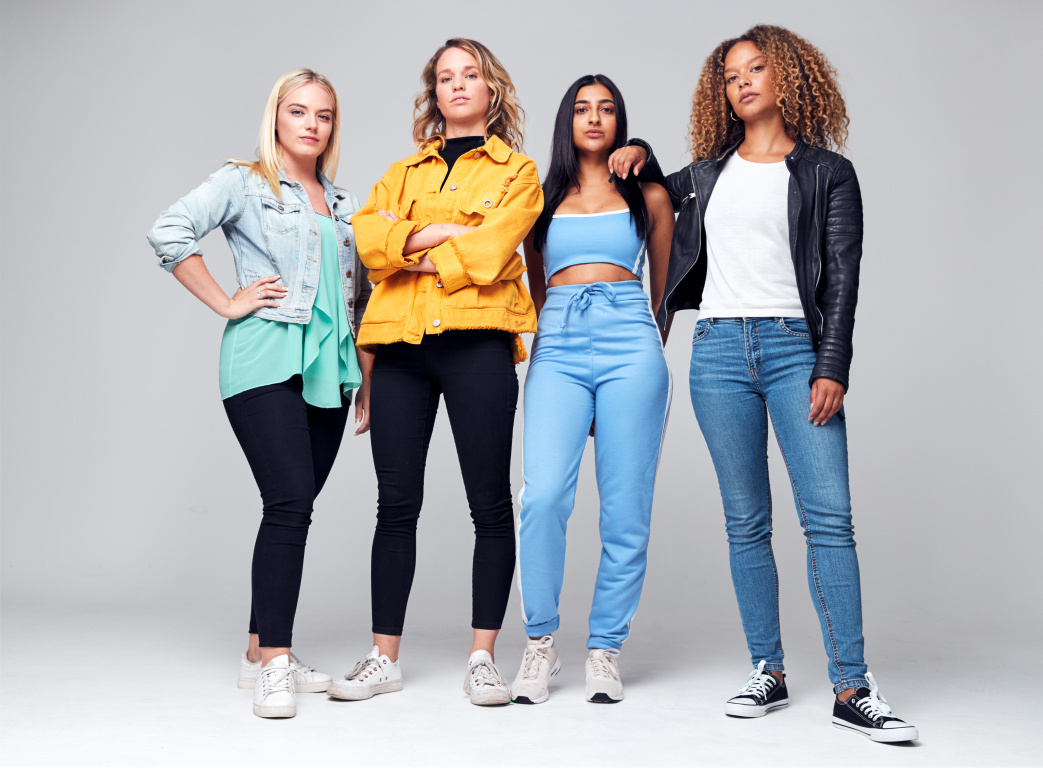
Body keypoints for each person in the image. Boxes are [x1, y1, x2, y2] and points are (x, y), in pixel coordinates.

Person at [614, 25, 918, 741]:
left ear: (788, 78)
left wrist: (831, 365)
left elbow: (841, 278)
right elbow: (651, 198)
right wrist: (642, 154)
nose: (742, 82)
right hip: (716, 351)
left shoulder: (826, 173)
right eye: (730, 75)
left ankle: (851, 686)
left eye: (756, 69)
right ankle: (768, 671)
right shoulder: (705, 175)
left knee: (828, 519)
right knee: (745, 522)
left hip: (792, 349)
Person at [147, 69, 372, 719]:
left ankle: (256, 651)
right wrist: (226, 300)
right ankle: (276, 658)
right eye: (297, 111)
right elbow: (169, 232)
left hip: (328, 368)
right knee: (289, 501)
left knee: (293, 508)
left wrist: (364, 377)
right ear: (275, 118)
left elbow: (356, 295)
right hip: (264, 356)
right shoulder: (244, 183)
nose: (310, 124)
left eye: (323, 115)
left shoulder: (344, 203)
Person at [328, 38, 540, 707]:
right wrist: (435, 234)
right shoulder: (400, 172)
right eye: (444, 77)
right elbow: (366, 240)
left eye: (468, 74)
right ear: (433, 92)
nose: (456, 85)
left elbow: (492, 252)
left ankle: (482, 658)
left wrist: (408, 244)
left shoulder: (518, 171)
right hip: (398, 348)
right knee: (395, 507)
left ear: (490, 89)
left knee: (489, 505)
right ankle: (381, 657)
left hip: (477, 344)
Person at [508, 75, 672, 706]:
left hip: (631, 340)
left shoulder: (649, 195)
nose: (594, 118)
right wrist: (561, 334)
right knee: (543, 496)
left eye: (606, 109)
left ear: (620, 120)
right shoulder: (542, 199)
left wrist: (635, 344)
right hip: (560, 344)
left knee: (626, 511)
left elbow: (662, 289)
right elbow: (537, 282)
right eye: (582, 108)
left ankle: (605, 650)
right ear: (566, 122)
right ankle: (541, 643)